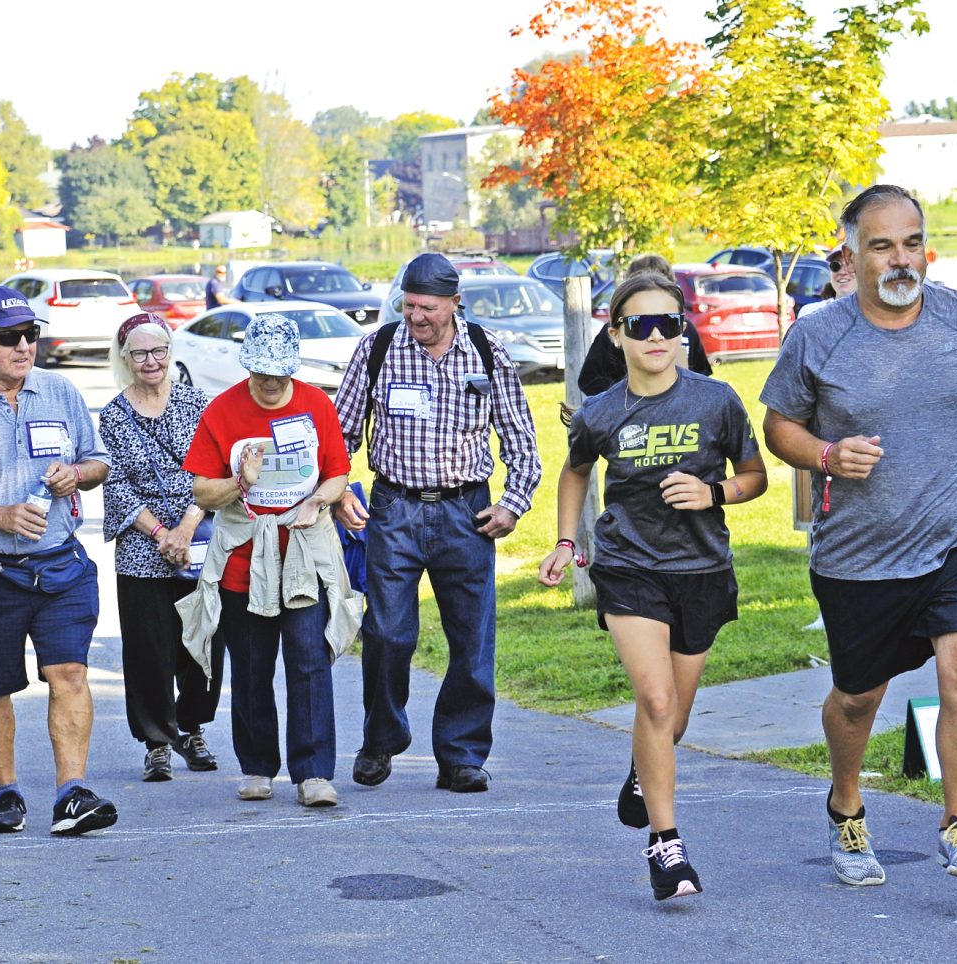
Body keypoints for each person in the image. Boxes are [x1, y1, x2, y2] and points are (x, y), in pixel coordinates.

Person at [760, 184, 957, 886]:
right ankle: (846, 805)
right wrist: (825, 455)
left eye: (912, 242)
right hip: (860, 552)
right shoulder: (819, 333)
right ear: (851, 253)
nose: (900, 258)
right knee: (858, 698)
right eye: (882, 245)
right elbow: (778, 425)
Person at [539, 270, 768, 900]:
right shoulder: (602, 411)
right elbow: (575, 472)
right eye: (642, 325)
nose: (658, 336)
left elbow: (756, 477)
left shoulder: (717, 400)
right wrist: (567, 542)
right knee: (657, 702)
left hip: (700, 571)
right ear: (617, 334)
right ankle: (666, 847)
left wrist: (713, 492)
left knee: (674, 721)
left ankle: (645, 772)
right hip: (628, 568)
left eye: (670, 323)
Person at [332, 252, 542, 793]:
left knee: (472, 639)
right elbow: (341, 434)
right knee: (386, 632)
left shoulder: (488, 352)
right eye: (408, 306)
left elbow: (521, 440)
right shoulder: (377, 348)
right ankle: (382, 738)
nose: (416, 317)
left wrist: (512, 504)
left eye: (427, 307)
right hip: (394, 509)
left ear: (454, 303)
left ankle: (461, 755)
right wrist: (334, 492)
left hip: (465, 513)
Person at [0, 285, 118, 837]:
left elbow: (97, 461)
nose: (23, 346)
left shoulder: (60, 391)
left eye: (31, 335)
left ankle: (72, 793)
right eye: (9, 338)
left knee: (71, 673)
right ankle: (7, 793)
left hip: (59, 565)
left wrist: (75, 475)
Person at [179, 313, 360, 807]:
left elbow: (338, 473)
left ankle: (314, 773)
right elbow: (201, 490)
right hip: (244, 559)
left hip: (303, 554)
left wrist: (318, 501)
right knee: (253, 667)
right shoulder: (222, 411)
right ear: (249, 368)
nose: (272, 384)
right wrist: (241, 481)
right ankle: (257, 766)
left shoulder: (316, 403)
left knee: (308, 661)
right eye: (263, 375)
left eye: (280, 376)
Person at [99, 313, 223, 783]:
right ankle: (157, 741)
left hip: (201, 534)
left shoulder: (197, 404)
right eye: (139, 353)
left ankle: (191, 728)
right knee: (148, 648)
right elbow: (115, 487)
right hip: (140, 545)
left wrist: (187, 527)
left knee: (204, 640)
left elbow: (213, 471)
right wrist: (160, 534)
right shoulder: (111, 415)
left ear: (171, 354)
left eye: (158, 352)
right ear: (125, 358)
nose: (150, 361)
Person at [577, 254, 711, 396]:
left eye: (670, 324)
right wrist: (622, 397)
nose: (657, 336)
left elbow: (702, 372)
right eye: (639, 326)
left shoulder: (686, 327)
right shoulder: (620, 329)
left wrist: (692, 396)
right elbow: (589, 379)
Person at [794, 244, 857, 320]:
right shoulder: (810, 313)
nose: (842, 272)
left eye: (850, 264)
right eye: (835, 265)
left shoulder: (873, 316)